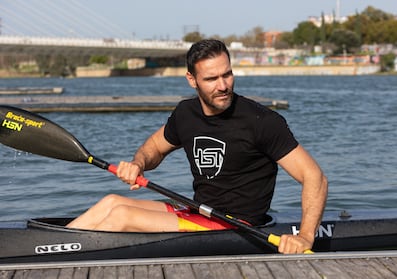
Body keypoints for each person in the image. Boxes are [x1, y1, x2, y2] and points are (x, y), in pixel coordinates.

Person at [67, 39, 328, 254]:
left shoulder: (262, 121)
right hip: (199, 212)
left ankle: (59, 255)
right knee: (111, 202)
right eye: (211, 78)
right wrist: (138, 164)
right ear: (192, 80)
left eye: (227, 74)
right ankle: (47, 247)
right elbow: (154, 148)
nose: (223, 85)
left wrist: (305, 237)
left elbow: (314, 177)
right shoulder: (186, 114)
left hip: (237, 227)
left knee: (122, 216)